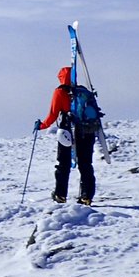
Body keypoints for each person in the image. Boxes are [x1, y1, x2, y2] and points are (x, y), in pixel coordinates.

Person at [37, 65, 96, 205]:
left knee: (63, 163)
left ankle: (60, 194)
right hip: (86, 130)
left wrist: (41, 126)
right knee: (85, 163)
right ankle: (86, 196)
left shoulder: (60, 92)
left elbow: (52, 115)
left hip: (67, 131)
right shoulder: (83, 91)